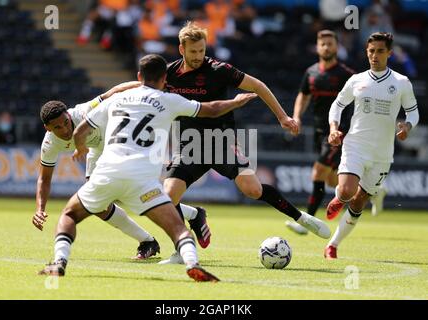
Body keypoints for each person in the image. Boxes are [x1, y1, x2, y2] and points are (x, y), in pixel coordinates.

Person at [38, 53, 257, 281]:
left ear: (139, 76)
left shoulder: (118, 99)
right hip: (143, 180)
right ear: (164, 78)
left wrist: (80, 147)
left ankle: (59, 263)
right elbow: (211, 109)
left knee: (70, 214)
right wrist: (236, 102)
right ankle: (193, 263)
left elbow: (79, 130)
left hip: (107, 173)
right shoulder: (170, 99)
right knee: (177, 229)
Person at [160, 21, 331, 264]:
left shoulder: (218, 69)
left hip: (222, 141)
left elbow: (258, 86)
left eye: (202, 50)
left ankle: (301, 217)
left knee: (253, 190)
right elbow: (146, 91)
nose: (199, 56)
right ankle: (183, 245)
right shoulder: (168, 73)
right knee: (168, 197)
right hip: (190, 145)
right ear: (181, 50)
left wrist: (283, 117)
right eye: (193, 51)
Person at [32, 82, 161, 260]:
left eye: (66, 123)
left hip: (117, 141)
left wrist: (146, 84)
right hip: (96, 149)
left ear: (69, 116)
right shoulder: (49, 144)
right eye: (57, 128)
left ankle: (189, 215)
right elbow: (44, 179)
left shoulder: (83, 112)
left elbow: (114, 91)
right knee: (97, 204)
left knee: (126, 191)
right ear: (47, 128)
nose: (65, 129)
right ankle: (148, 241)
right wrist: (40, 209)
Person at [324, 32, 419, 259]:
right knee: (347, 191)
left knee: (359, 202)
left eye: (379, 51)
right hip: (355, 144)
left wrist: (407, 127)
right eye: (370, 51)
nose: (374, 56)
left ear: (389, 53)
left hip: (382, 154)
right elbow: (337, 106)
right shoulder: (357, 80)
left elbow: (413, 112)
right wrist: (333, 128)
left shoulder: (401, 83)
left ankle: (333, 245)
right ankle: (339, 197)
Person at [286, 30, 386, 235]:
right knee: (332, 181)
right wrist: (296, 116)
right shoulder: (311, 72)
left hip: (341, 133)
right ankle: (374, 190)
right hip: (319, 131)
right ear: (317, 46)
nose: (326, 47)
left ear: (337, 47)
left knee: (318, 172)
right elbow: (302, 96)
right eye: (322, 44)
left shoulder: (346, 75)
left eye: (330, 44)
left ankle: (307, 222)